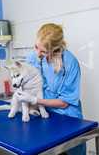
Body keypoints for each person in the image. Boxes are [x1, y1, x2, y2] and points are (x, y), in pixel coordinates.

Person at [16, 23, 86, 155]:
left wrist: (35, 99)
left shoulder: (70, 63)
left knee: (70, 151)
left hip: (68, 118)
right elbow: (27, 82)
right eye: (36, 47)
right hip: (44, 115)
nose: (37, 53)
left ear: (54, 49)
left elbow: (65, 102)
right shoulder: (33, 57)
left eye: (43, 51)